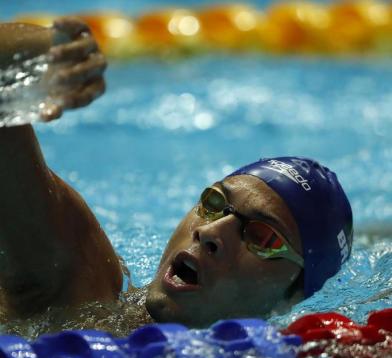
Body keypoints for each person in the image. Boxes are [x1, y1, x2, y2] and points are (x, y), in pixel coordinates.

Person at [0, 19, 353, 335]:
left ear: (293, 296)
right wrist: (40, 52)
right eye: (214, 203)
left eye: (262, 236)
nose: (211, 232)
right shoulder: (74, 279)